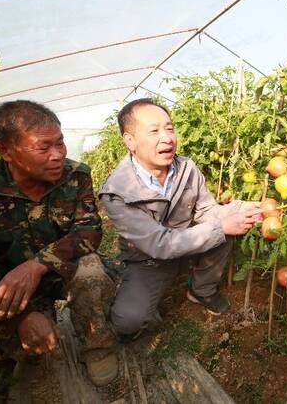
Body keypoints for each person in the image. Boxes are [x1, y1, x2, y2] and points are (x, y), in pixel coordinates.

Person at [0, 100, 119, 387]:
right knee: (32, 361)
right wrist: (21, 319)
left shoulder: (76, 177)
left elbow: (88, 231)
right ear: (5, 150)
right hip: (13, 293)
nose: (58, 155)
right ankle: (20, 344)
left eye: (60, 143)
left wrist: (37, 265)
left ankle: (96, 343)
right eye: (43, 147)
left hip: (60, 273)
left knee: (91, 268)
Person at [98, 98, 261, 337]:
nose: (167, 138)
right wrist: (220, 227)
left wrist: (237, 209)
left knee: (224, 229)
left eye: (169, 128)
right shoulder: (117, 192)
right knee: (128, 322)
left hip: (186, 245)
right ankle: (136, 287)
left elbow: (206, 211)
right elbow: (159, 245)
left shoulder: (186, 168)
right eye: (154, 131)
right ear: (130, 141)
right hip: (149, 260)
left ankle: (201, 290)